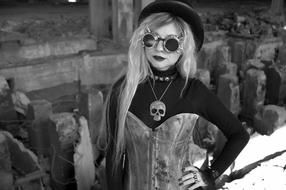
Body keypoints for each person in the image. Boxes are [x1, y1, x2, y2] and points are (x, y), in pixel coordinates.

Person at [96, 0, 250, 189]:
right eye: (151, 39)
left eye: (170, 42)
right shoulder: (123, 89)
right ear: (142, 42)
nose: (159, 48)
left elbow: (239, 134)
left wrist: (210, 174)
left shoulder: (193, 91)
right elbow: (114, 155)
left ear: (184, 48)